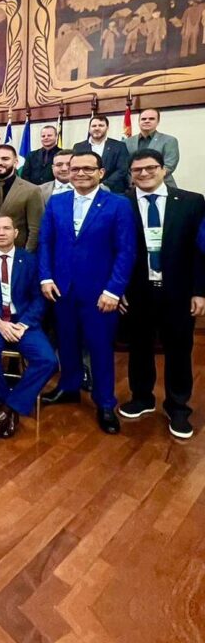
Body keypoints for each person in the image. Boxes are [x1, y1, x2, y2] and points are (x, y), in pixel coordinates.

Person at [39, 151, 137, 434]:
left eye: (87, 168)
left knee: (100, 348)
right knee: (66, 343)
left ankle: (105, 402)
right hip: (62, 289)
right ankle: (68, 387)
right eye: (75, 168)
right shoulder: (57, 202)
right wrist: (45, 277)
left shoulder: (117, 205)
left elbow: (125, 251)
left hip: (100, 294)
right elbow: (46, 243)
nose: (80, 173)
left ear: (101, 173)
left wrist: (114, 290)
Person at [119, 149, 205, 439]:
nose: (144, 174)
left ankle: (178, 407)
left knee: (179, 349)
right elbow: (114, 250)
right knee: (139, 346)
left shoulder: (191, 202)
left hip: (178, 291)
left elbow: (200, 251)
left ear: (163, 169)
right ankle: (142, 397)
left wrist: (200, 291)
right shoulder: (122, 203)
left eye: (150, 168)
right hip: (137, 290)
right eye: (137, 170)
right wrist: (117, 289)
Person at [0, 216, 57, 439]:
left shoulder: (30, 260)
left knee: (48, 360)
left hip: (23, 321)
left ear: (16, 233)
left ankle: (8, 407)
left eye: (6, 228)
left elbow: (39, 299)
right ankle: (6, 401)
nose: (1, 232)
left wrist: (24, 324)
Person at [0, 145, 44, 251]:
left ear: (15, 162)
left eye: (5, 159)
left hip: (18, 253)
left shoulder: (32, 190)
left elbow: (35, 229)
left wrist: (27, 255)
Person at [123, 108, 180, 188]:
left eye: (151, 119)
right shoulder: (126, 142)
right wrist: (134, 179)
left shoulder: (169, 140)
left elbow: (169, 165)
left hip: (163, 185)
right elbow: (124, 165)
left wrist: (147, 178)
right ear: (139, 122)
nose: (147, 121)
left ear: (158, 122)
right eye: (143, 119)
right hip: (134, 186)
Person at [73, 114, 129, 194]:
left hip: (112, 190)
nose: (97, 128)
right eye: (94, 126)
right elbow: (76, 168)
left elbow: (122, 169)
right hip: (85, 190)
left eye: (101, 125)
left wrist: (104, 185)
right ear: (89, 129)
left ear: (107, 128)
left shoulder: (119, 146)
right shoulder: (78, 147)